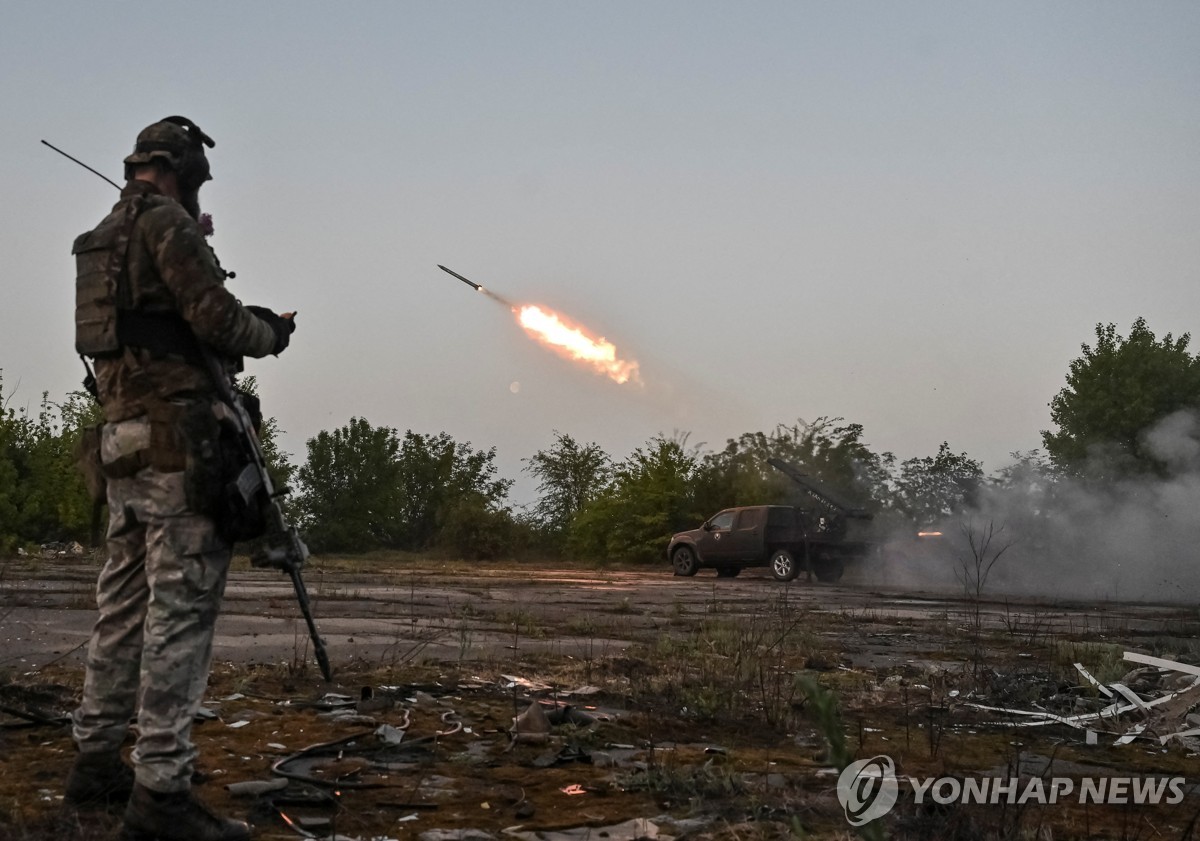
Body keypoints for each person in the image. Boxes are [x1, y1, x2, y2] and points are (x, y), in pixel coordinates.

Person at [64, 116, 296, 841]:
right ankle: (160, 792)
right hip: (179, 447)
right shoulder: (167, 226)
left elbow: (136, 329)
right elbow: (216, 321)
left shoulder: (99, 238)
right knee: (178, 614)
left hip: (122, 445)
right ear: (180, 168)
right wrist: (271, 331)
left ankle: (95, 762)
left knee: (121, 608)